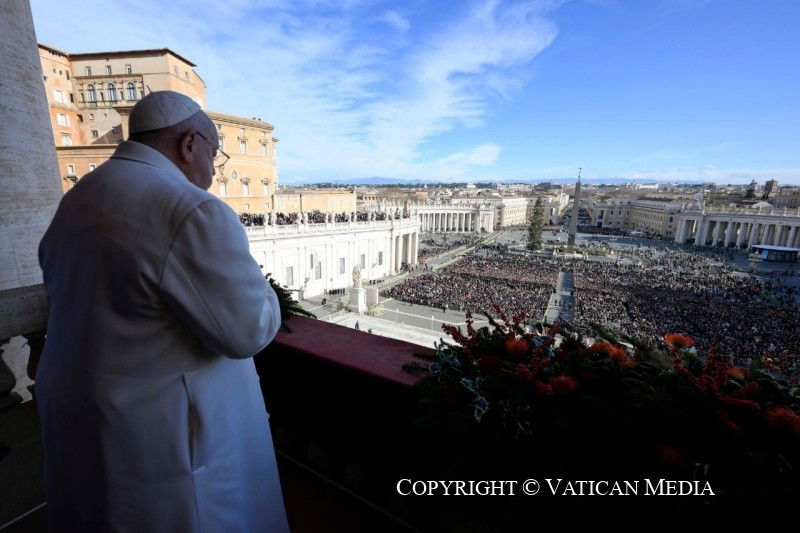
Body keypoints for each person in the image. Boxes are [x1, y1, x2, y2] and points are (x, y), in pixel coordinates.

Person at [36, 91, 289, 532]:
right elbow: (247, 331)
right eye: (216, 154)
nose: (215, 167)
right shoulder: (193, 209)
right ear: (189, 145)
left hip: (90, 413)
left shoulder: (78, 199)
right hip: (168, 436)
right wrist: (265, 289)